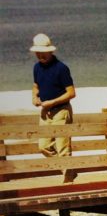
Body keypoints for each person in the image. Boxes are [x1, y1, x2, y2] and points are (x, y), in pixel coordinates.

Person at [31, 32, 77, 181]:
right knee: (43, 146)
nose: (40, 56)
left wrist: (53, 102)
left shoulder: (61, 68)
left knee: (63, 148)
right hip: (45, 112)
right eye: (38, 53)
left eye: (43, 52)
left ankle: (68, 181)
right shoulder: (36, 68)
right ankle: (69, 170)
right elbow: (35, 85)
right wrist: (35, 97)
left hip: (61, 111)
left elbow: (71, 93)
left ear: (50, 51)